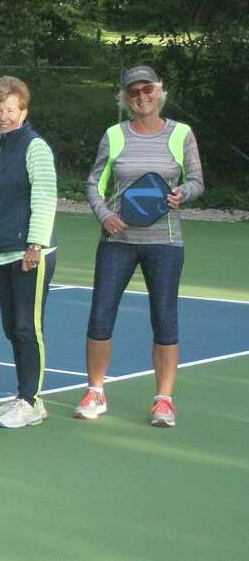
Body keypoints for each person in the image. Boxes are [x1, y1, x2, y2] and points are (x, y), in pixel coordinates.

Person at [75, 66, 204, 428]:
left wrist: (184, 193)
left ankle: (164, 401)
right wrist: (104, 215)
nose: (141, 97)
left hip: (165, 242)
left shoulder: (182, 134)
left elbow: (196, 180)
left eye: (147, 89)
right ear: (126, 98)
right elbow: (92, 183)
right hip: (117, 241)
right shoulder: (114, 135)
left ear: (159, 91)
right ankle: (95, 391)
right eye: (134, 92)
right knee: (101, 316)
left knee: (164, 319)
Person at [0, 76, 57, 429]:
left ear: (23, 112)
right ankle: (23, 396)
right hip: (0, 253)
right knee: (12, 327)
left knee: (28, 328)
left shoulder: (35, 146)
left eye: (10, 110)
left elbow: (44, 195)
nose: (3, 116)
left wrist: (35, 245)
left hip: (29, 254)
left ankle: (31, 402)